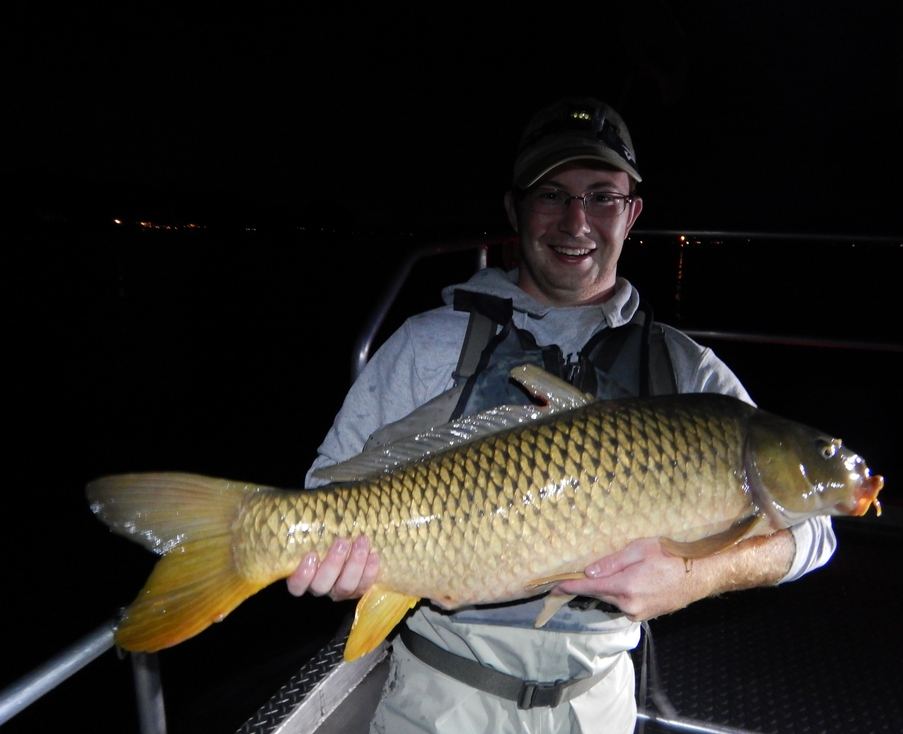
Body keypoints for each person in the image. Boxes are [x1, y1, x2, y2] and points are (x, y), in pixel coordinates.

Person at [287, 97, 836, 733]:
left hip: (599, 701)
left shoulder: (690, 376)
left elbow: (816, 536)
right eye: (552, 194)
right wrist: (332, 564)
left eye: (601, 196)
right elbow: (325, 493)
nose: (577, 221)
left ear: (631, 214)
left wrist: (695, 576)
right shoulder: (428, 344)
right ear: (515, 209)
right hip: (444, 697)